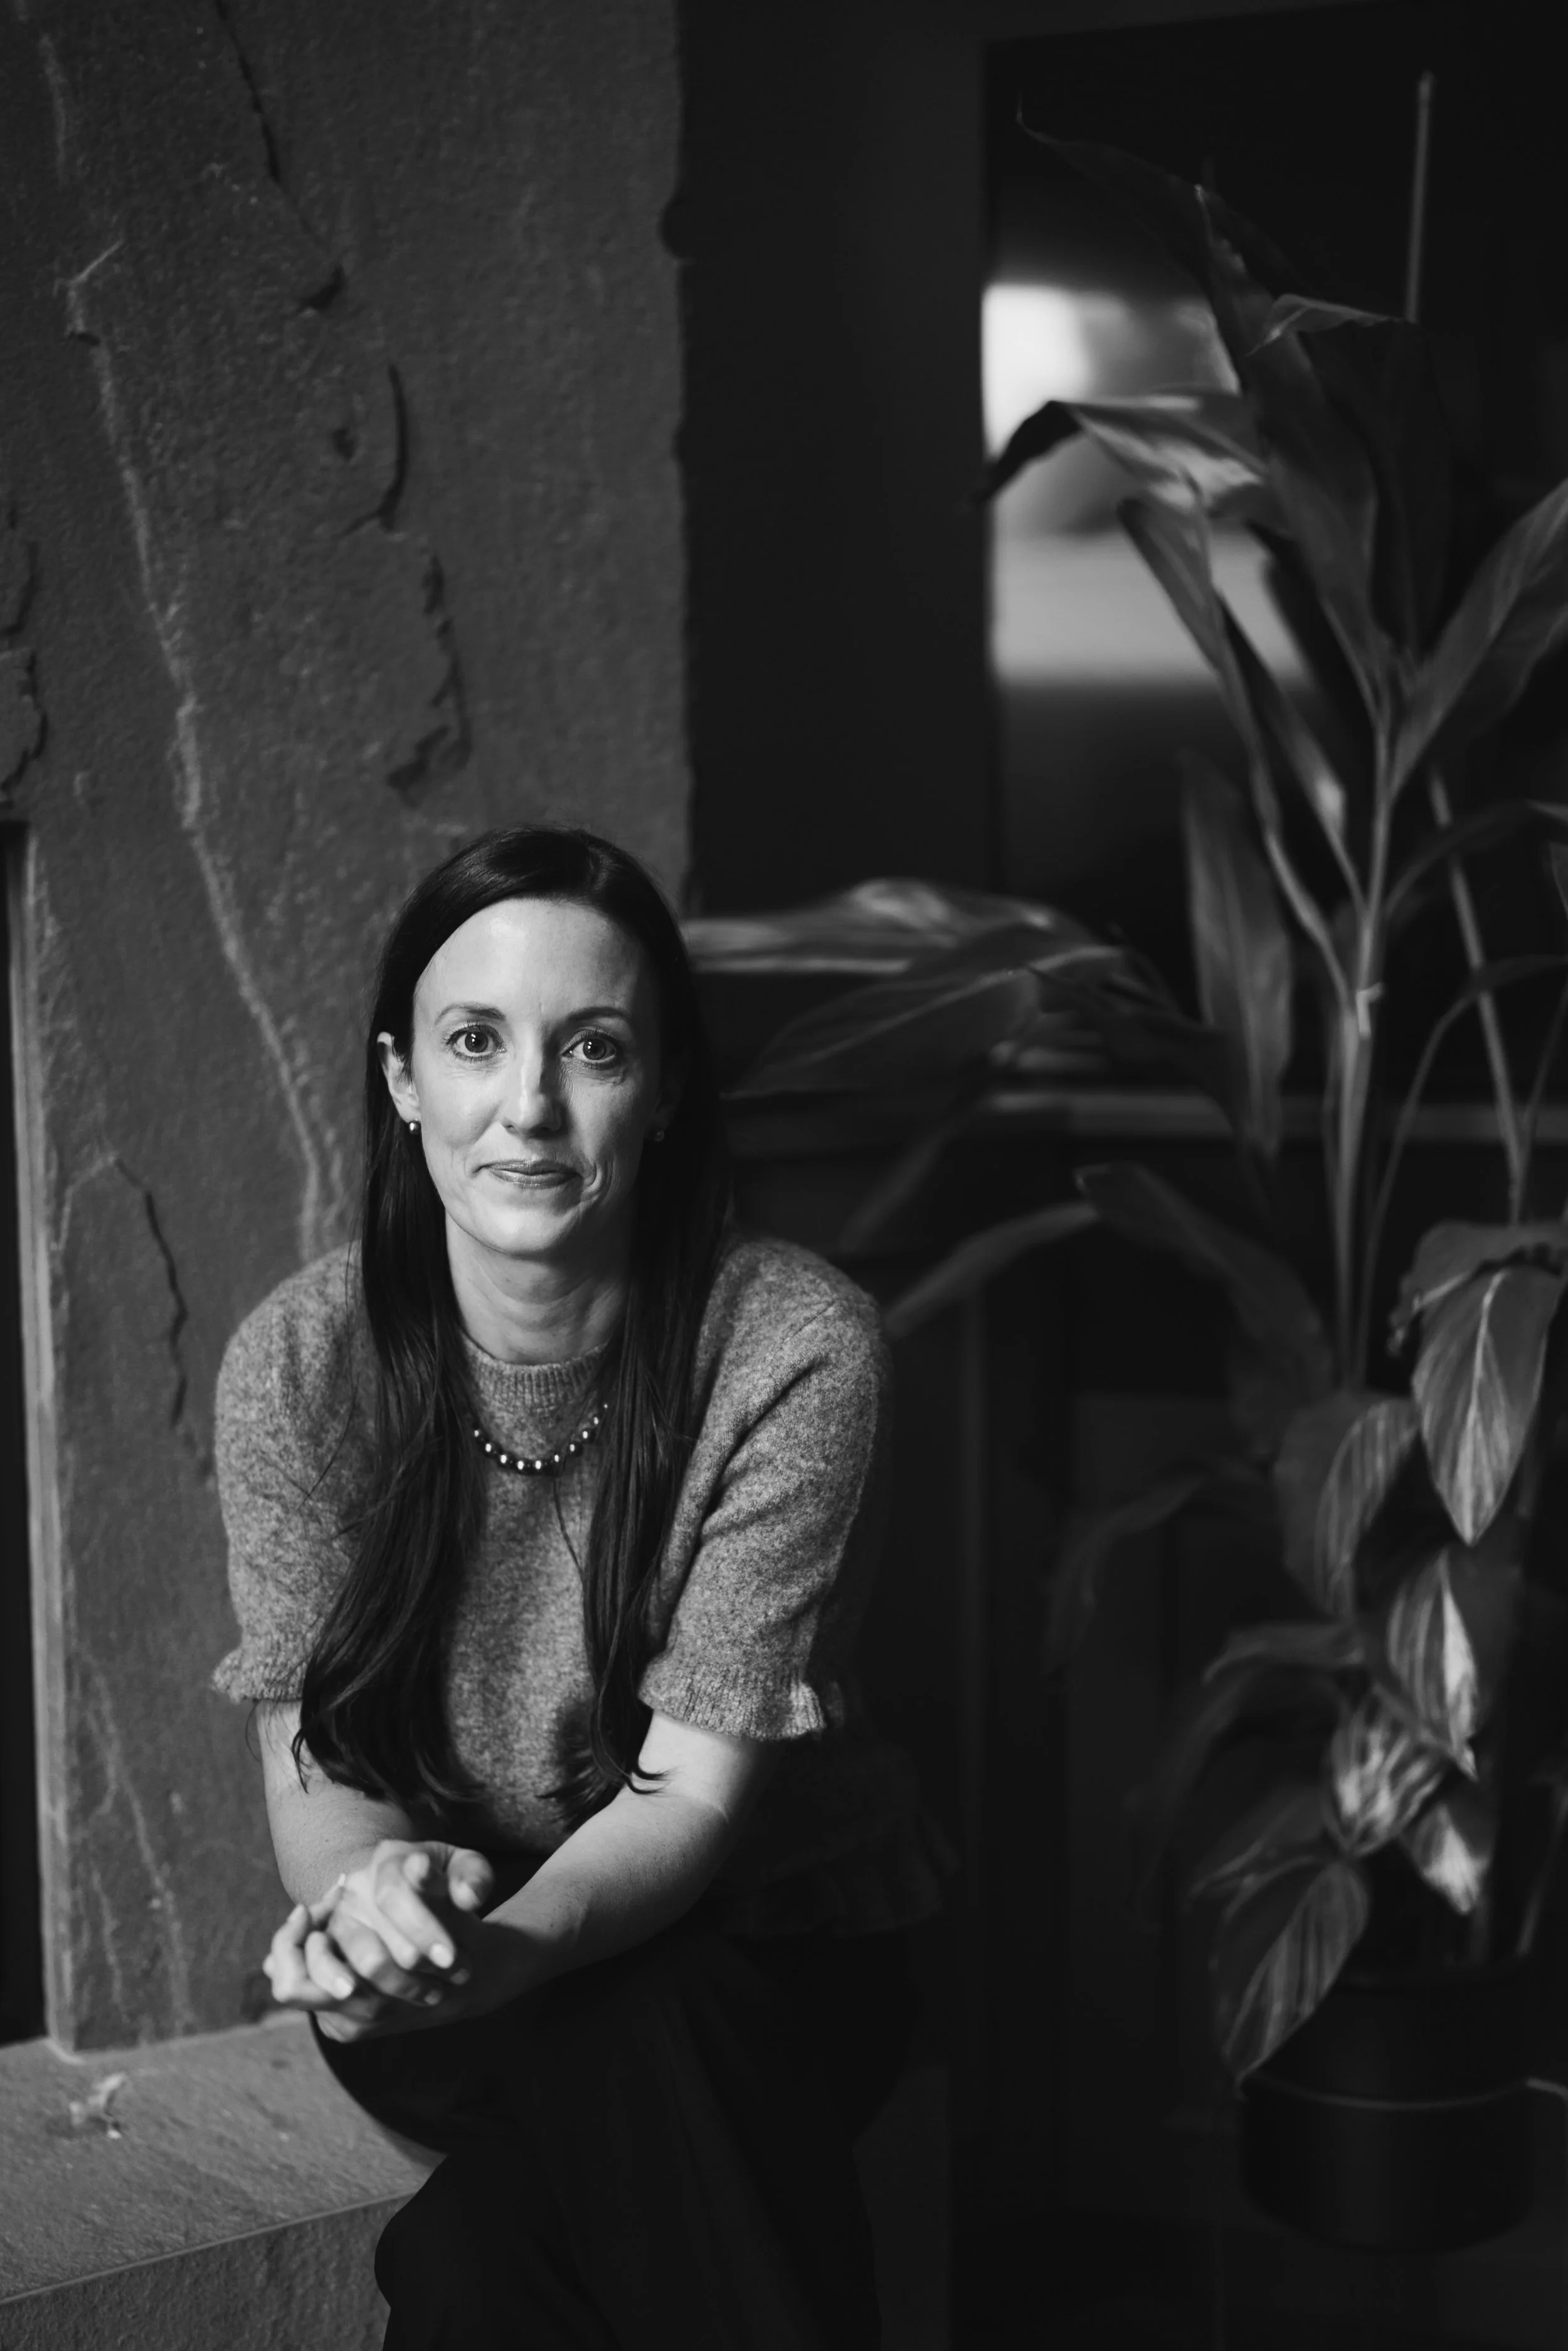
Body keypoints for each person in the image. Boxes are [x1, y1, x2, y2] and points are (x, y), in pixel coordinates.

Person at [211, 825, 944, 2350]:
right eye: (475, 1040)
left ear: (666, 1087)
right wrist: (373, 1899)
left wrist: (506, 1949)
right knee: (620, 2067)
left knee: (485, 2265)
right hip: (445, 1975)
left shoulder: (791, 1346)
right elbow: (316, 1764)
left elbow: (686, 1809)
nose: (529, 1105)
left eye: (594, 1047)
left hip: (771, 1947)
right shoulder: (297, 1363)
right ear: (406, 1078)